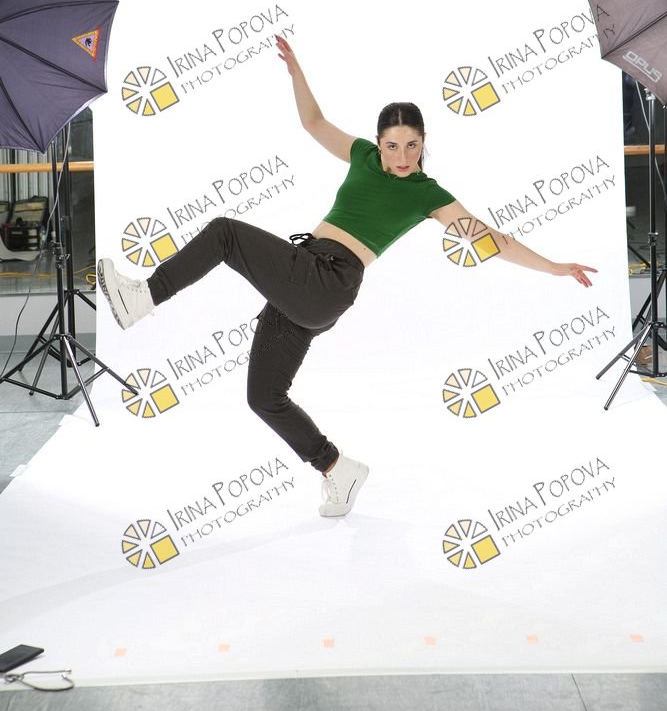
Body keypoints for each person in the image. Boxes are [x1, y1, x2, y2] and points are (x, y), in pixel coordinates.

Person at [97, 36, 596, 518]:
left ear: (424, 143)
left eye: (412, 145)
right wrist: (297, 73)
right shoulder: (361, 155)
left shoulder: (429, 194)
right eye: (393, 145)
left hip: (326, 280)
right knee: (264, 397)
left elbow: (491, 239)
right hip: (306, 281)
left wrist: (555, 266)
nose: (402, 157)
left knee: (225, 233)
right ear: (378, 143)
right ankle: (337, 468)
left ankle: (145, 297)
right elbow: (313, 122)